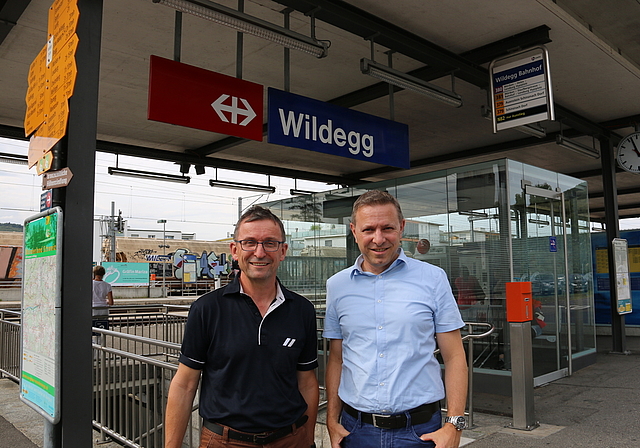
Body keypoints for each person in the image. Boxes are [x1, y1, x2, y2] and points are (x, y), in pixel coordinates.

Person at [165, 205, 319, 448]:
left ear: (283, 251)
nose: (259, 252)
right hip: (225, 441)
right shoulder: (207, 309)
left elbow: (307, 382)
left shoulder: (302, 310)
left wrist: (308, 440)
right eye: (249, 242)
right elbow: (184, 385)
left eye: (270, 243)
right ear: (235, 250)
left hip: (291, 440)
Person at [324, 190, 468, 448]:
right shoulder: (337, 286)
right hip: (355, 431)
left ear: (401, 227)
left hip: (421, 431)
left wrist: (453, 424)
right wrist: (331, 422)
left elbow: (455, 356)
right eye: (368, 229)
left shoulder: (433, 279)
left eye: (387, 228)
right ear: (354, 231)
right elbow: (337, 358)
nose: (378, 239)